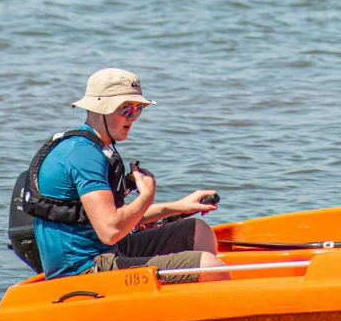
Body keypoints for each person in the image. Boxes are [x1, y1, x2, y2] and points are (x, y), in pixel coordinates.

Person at [33, 68, 229, 281]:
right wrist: (146, 197)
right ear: (100, 109)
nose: (133, 117)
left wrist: (177, 207)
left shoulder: (96, 147)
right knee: (210, 267)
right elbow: (110, 231)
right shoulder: (84, 154)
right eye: (126, 109)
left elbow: (114, 218)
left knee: (198, 231)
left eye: (138, 109)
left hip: (107, 253)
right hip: (83, 271)